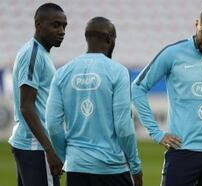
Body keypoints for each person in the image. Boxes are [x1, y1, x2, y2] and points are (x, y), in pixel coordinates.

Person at [131, 6, 202, 186]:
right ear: (196, 24)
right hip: (181, 152)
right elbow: (137, 88)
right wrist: (157, 134)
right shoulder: (173, 53)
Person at [46, 17, 143, 186]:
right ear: (109, 38)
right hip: (112, 169)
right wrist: (135, 167)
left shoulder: (62, 73)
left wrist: (66, 157)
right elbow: (123, 127)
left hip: (77, 168)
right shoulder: (118, 72)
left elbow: (53, 125)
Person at [9, 3, 66, 186]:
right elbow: (26, 105)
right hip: (36, 147)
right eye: (55, 25)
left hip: (34, 146)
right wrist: (49, 150)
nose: (62, 31)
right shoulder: (32, 54)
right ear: (38, 24)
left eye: (64, 26)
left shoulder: (41, 54)